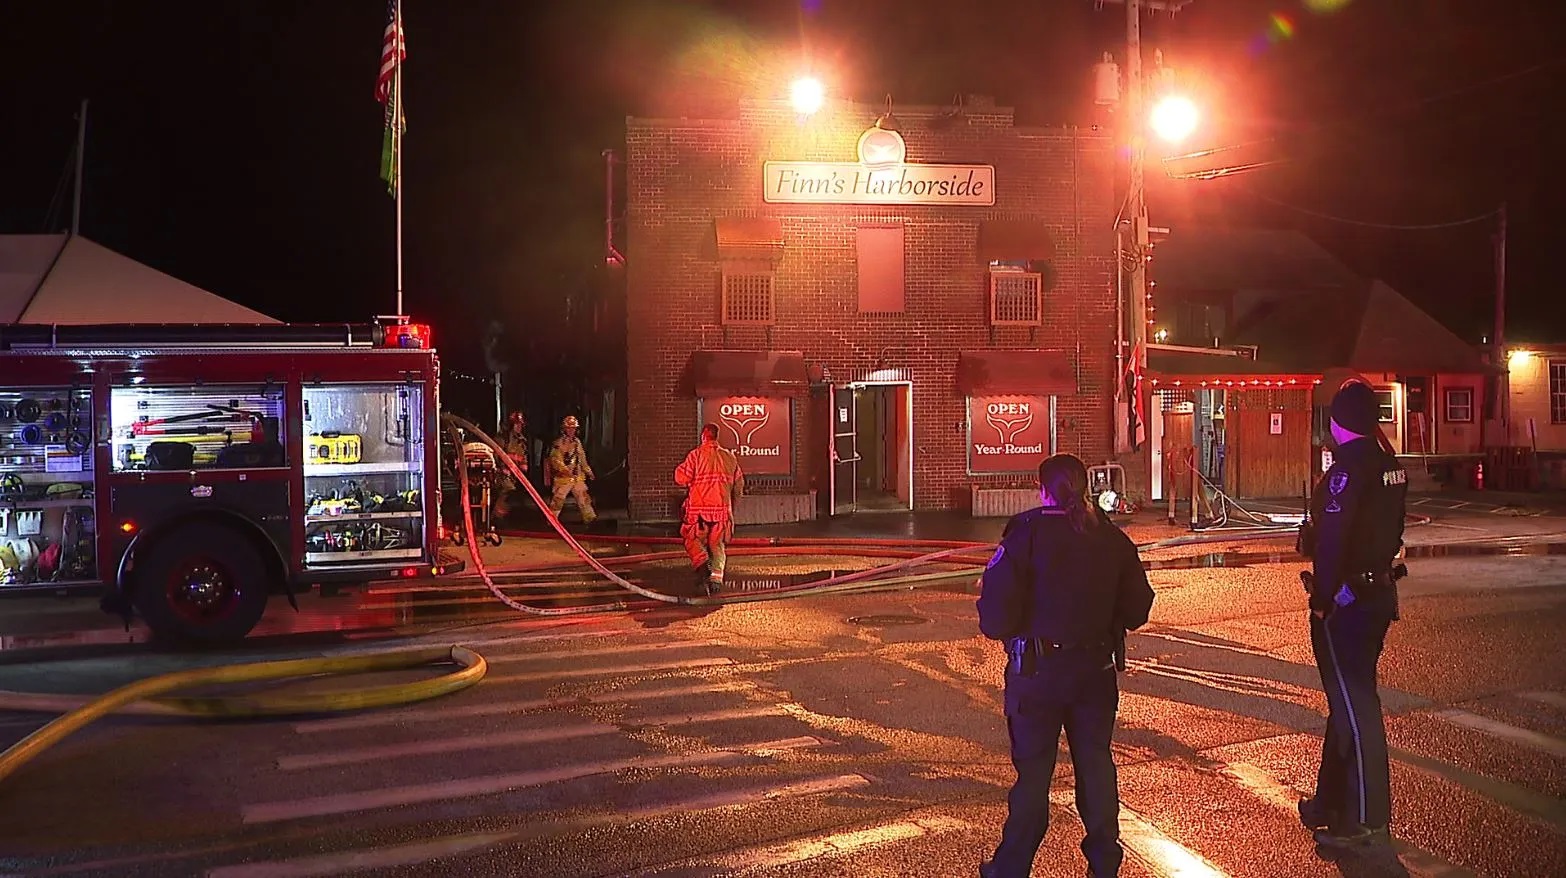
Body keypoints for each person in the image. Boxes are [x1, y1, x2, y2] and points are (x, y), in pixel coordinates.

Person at [976, 453, 1155, 878]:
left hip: (1037, 672)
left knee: (1034, 777)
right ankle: (1104, 863)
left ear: (1042, 489)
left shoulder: (1025, 534)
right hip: (1094, 670)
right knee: (1095, 766)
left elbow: (995, 616)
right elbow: (1138, 607)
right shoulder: (1110, 538)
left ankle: (1012, 867)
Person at [1295, 379, 1407, 848]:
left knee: (1357, 705)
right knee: (1346, 701)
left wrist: (1323, 597)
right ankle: (1330, 801)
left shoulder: (1348, 470)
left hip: (1348, 600)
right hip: (1377, 591)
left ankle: (1365, 816)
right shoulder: (1389, 466)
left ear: (1339, 422)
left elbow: (1337, 538)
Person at [674, 423, 745, 595]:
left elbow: (680, 478)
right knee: (717, 546)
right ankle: (716, 580)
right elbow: (739, 487)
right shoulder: (730, 458)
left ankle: (702, 565)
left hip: (699, 513)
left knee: (691, 539)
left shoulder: (695, 456)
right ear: (716, 437)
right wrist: (730, 508)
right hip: (721, 512)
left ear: (703, 436)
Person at [546, 415, 596, 524]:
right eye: (569, 428)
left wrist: (588, 471)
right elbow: (555, 460)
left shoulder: (577, 443)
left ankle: (590, 519)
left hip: (577, 477)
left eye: (573, 428)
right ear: (564, 429)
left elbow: (582, 459)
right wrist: (565, 470)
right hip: (563, 478)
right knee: (558, 500)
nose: (571, 431)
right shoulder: (558, 444)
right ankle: (551, 521)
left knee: (584, 498)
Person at [493, 411, 530, 520]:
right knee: (506, 489)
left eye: (520, 425)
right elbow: (497, 454)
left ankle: (501, 515)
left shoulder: (521, 440)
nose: (519, 427)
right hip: (501, 471)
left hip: (516, 473)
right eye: (517, 424)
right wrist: (504, 466)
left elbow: (523, 455)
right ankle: (496, 516)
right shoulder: (503, 438)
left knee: (512, 494)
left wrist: (524, 465)